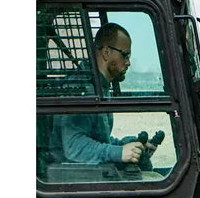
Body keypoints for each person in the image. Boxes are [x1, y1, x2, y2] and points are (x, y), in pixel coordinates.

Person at [50, 22, 158, 167]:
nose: (128, 63)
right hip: (69, 174)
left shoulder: (98, 86)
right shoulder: (82, 89)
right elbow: (74, 147)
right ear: (106, 53)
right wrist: (118, 152)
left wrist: (128, 146)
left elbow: (96, 140)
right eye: (125, 55)